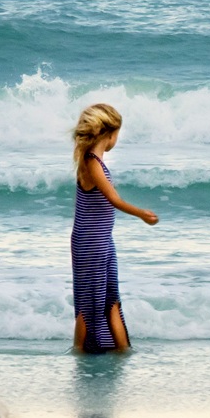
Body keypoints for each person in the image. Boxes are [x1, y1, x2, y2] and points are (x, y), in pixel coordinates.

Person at [71, 99, 156, 354]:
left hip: (103, 241)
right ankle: (79, 351)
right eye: (117, 134)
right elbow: (114, 200)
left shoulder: (95, 161)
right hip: (90, 243)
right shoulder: (91, 163)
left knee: (111, 300)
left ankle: (123, 353)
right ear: (108, 135)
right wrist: (141, 213)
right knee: (88, 303)